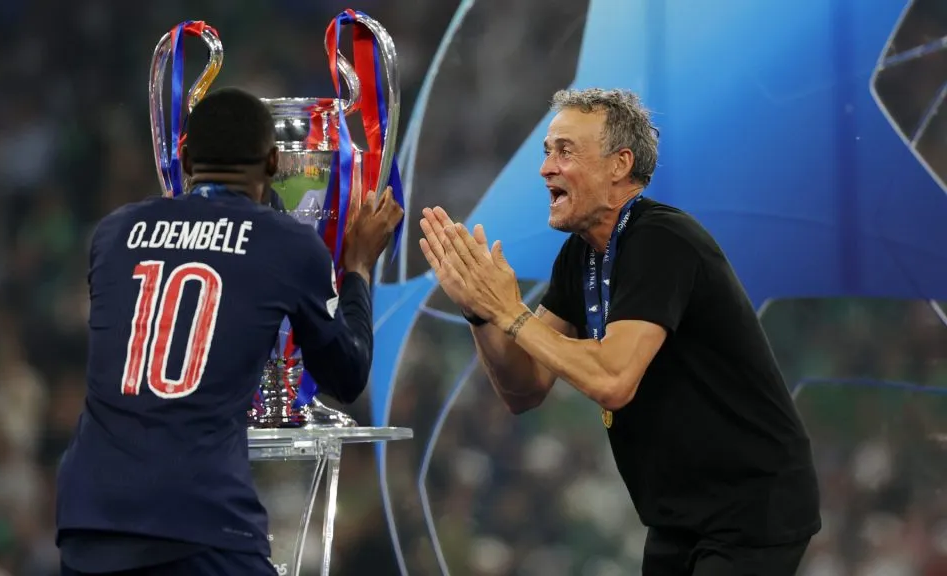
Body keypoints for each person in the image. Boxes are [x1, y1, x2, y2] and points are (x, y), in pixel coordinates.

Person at [418, 88, 820, 575]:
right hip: (677, 516)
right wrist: (481, 313)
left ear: (618, 164)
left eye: (565, 151)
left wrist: (511, 312)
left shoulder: (662, 240)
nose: (546, 167)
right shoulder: (581, 255)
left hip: (753, 506)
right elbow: (524, 388)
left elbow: (613, 381)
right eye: (547, 152)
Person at [55, 87, 403, 576]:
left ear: (185, 156)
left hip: (88, 518)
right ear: (274, 162)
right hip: (199, 519)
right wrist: (358, 268)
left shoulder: (113, 233)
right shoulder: (289, 244)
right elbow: (346, 375)